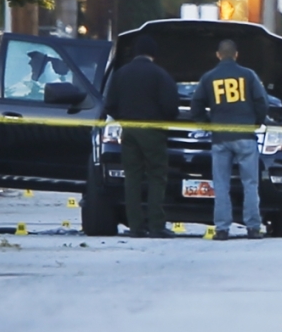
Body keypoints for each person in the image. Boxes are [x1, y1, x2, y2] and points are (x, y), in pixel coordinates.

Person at [191, 39, 268, 241]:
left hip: (220, 137)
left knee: (221, 184)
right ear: (236, 55)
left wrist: (207, 123)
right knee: (250, 183)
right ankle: (253, 227)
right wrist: (255, 122)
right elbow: (262, 102)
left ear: (218, 55)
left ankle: (222, 229)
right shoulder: (248, 75)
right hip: (245, 135)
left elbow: (196, 105)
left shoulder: (209, 78)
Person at [105, 36, 179, 238]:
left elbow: (109, 104)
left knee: (132, 177)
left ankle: (135, 226)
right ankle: (156, 225)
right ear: (153, 54)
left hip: (128, 130)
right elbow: (171, 106)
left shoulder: (121, 74)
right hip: (152, 130)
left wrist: (123, 117)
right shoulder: (160, 75)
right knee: (156, 176)